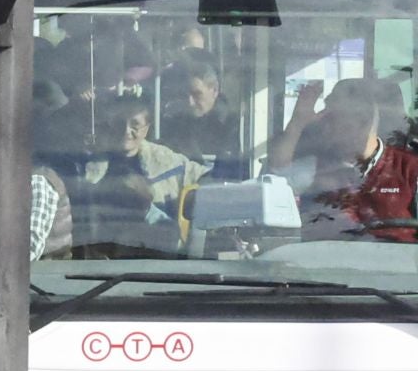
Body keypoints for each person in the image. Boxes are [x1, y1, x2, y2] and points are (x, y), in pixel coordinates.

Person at [270, 78, 418, 242]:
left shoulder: (410, 169)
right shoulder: (317, 167)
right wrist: (297, 123)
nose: (324, 125)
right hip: (327, 263)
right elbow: (275, 178)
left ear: (364, 122)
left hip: (395, 265)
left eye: (333, 118)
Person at [81, 95, 205, 242]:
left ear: (146, 129)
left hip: (159, 250)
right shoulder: (88, 165)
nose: (126, 131)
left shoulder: (166, 161)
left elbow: (206, 179)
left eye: (135, 125)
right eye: (119, 123)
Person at [160, 55, 241, 172]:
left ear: (214, 91)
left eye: (197, 94)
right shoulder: (174, 126)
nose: (190, 102)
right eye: (185, 94)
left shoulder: (234, 126)